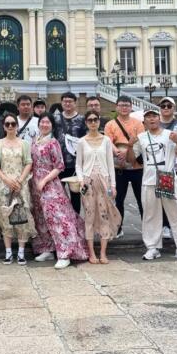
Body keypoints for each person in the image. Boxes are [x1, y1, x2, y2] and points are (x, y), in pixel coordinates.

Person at [129, 108, 177, 262]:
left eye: (154, 116)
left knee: (176, 212)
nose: (152, 119)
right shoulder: (141, 137)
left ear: (159, 119)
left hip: (166, 178)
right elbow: (131, 160)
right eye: (148, 117)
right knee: (150, 214)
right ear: (144, 121)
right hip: (149, 180)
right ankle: (152, 247)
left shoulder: (170, 135)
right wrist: (129, 146)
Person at [30, 113, 88, 269]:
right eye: (42, 122)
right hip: (35, 184)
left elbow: (59, 166)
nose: (44, 125)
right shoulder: (35, 141)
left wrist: (44, 180)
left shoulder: (53, 142)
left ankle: (65, 253)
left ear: (52, 125)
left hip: (50, 184)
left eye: (47, 122)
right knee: (41, 218)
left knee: (58, 217)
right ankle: (47, 248)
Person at [76, 110, 121, 264]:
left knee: (104, 215)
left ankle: (103, 252)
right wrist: (81, 180)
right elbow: (78, 165)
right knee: (89, 216)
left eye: (95, 119)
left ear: (99, 121)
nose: (93, 122)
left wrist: (113, 185)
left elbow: (110, 164)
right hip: (88, 183)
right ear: (86, 123)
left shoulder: (106, 140)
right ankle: (91, 253)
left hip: (104, 181)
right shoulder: (81, 142)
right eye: (90, 120)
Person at [0, 114, 35, 265]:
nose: (10, 126)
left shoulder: (24, 144)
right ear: (4, 126)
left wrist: (20, 181)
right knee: (6, 217)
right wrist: (5, 179)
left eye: (13, 124)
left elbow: (28, 162)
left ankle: (21, 252)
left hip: (20, 184)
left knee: (22, 216)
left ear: (17, 126)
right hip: (4, 184)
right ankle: (8, 252)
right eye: (7, 124)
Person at [105, 96, 145, 236]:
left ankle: (146, 228)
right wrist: (117, 153)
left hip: (136, 167)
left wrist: (127, 152)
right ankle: (118, 227)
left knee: (142, 199)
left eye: (127, 105)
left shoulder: (138, 124)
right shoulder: (110, 124)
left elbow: (140, 143)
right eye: (121, 105)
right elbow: (108, 142)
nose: (124, 108)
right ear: (116, 107)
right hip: (119, 167)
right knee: (118, 199)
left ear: (131, 107)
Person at [158, 96, 177, 240]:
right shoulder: (156, 124)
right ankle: (165, 226)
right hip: (162, 167)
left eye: (169, 106)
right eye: (163, 106)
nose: (166, 108)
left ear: (174, 108)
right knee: (163, 198)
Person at [55, 92, 86, 214]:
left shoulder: (82, 119)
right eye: (65, 101)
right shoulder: (56, 119)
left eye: (70, 101)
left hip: (76, 164)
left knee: (75, 196)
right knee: (59, 195)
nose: (67, 104)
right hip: (59, 164)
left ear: (75, 103)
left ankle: (76, 219)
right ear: (62, 103)